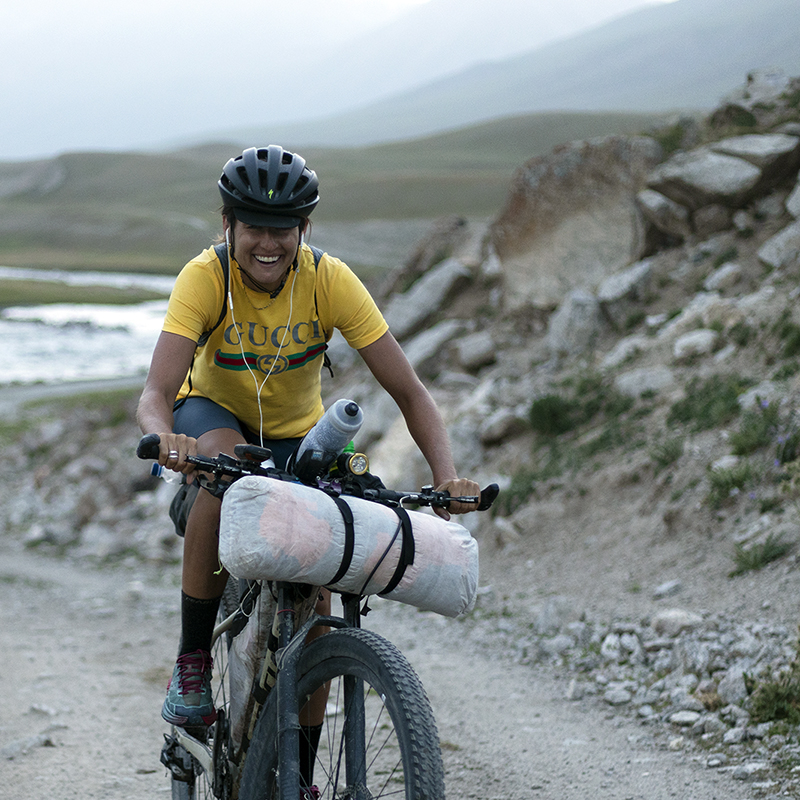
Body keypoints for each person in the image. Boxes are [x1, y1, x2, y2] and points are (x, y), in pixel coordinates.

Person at [136, 144, 479, 790]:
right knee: (225, 471)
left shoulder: (329, 281)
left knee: (318, 589)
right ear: (228, 225)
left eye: (284, 229)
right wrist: (165, 438)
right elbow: (156, 392)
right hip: (213, 417)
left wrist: (445, 478)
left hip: (298, 436)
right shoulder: (205, 278)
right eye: (254, 228)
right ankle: (191, 666)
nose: (268, 243)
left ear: (305, 229)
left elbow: (411, 393)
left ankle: (296, 776)